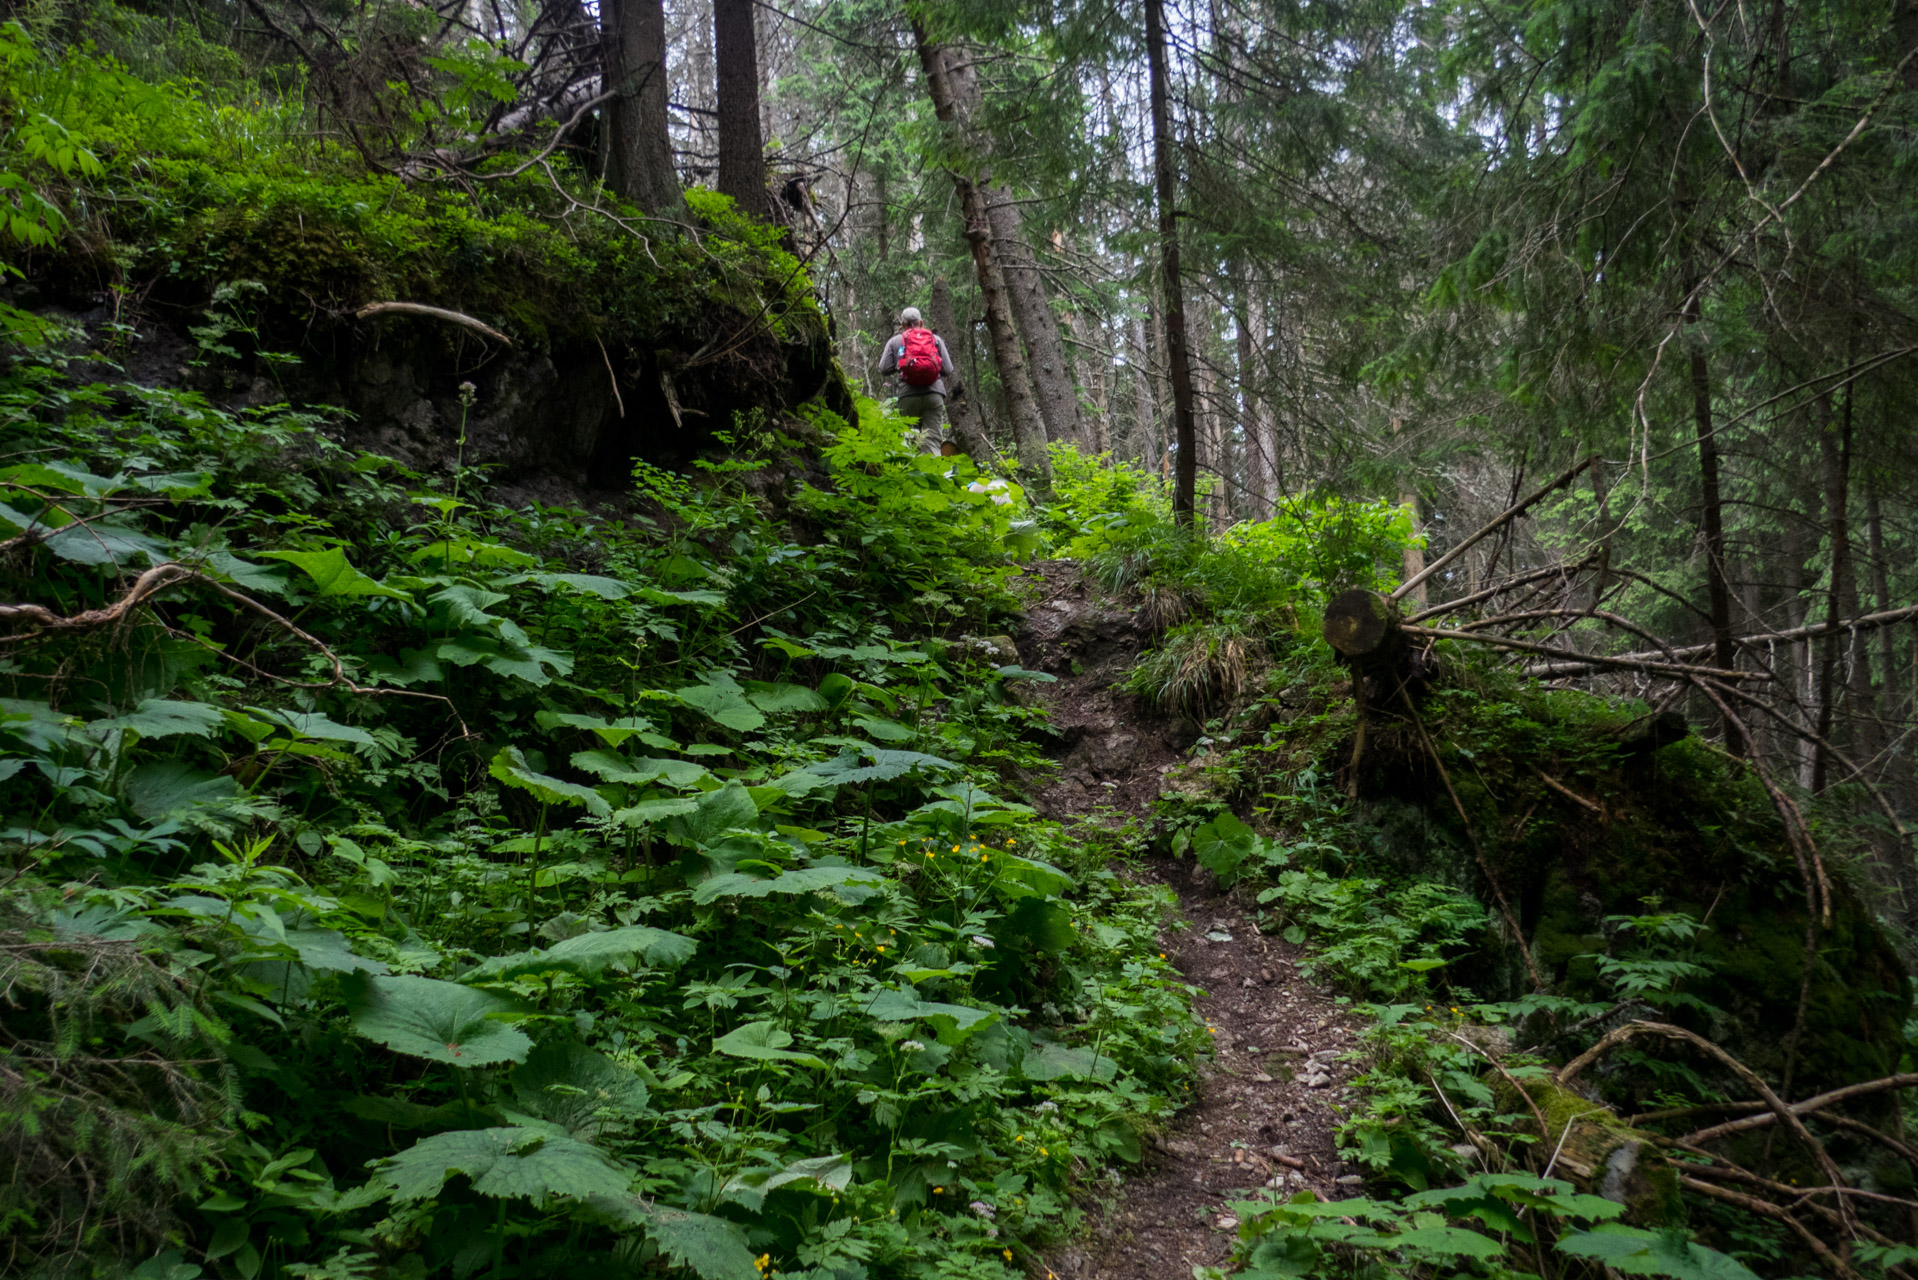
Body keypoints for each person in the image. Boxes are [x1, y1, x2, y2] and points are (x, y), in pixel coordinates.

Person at [875, 307, 956, 455]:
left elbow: (883, 368)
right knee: (931, 442)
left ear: (902, 324)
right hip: (934, 394)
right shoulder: (935, 339)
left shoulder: (895, 341)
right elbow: (948, 369)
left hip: (908, 395)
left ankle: (911, 475)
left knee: (909, 440)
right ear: (921, 322)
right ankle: (932, 475)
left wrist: (901, 365)